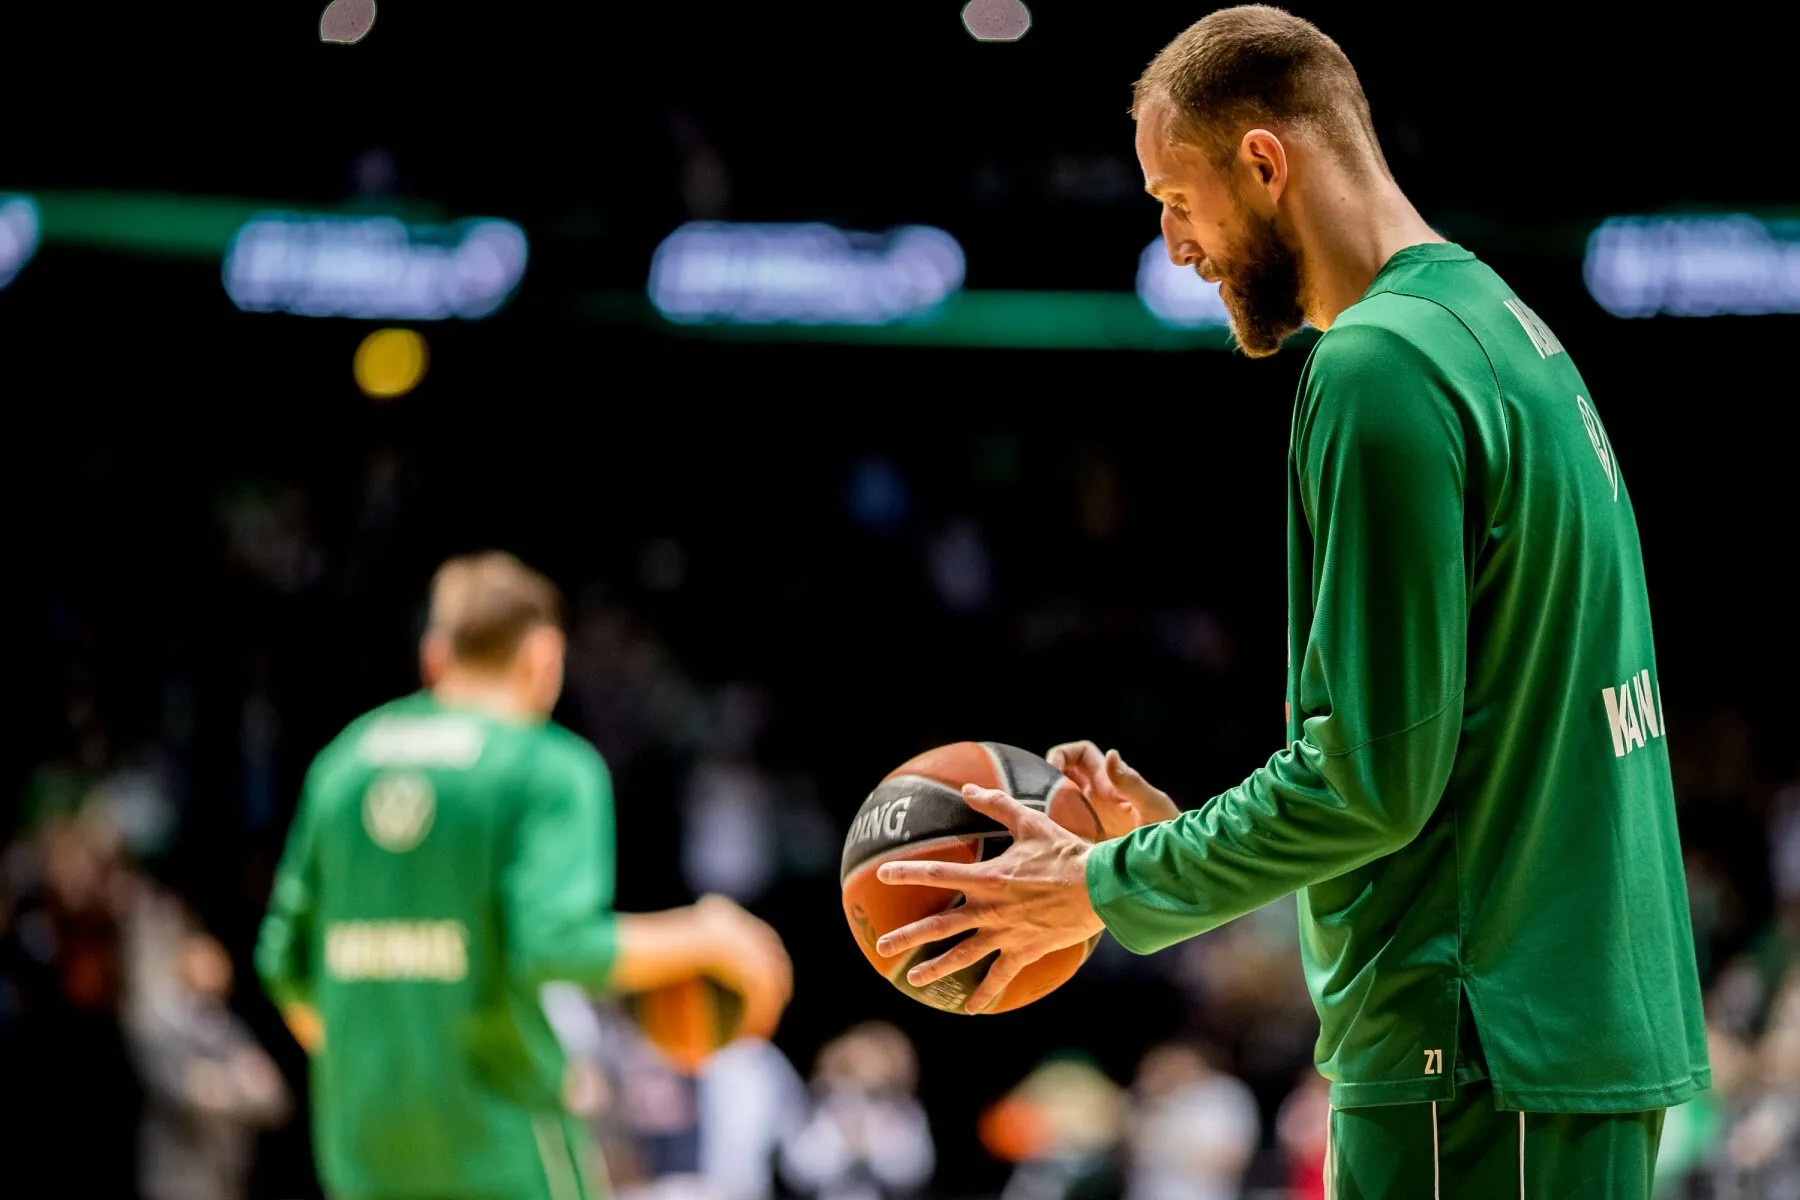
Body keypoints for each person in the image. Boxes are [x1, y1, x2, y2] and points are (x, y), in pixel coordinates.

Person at [872, 7, 1710, 1196]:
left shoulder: (1378, 368)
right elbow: (1438, 780)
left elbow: (1373, 779)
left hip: (1474, 1059)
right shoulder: (1501, 330)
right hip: (1547, 1037)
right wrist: (1169, 848)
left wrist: (1104, 886)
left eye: (1176, 197)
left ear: (1265, 164)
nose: (1174, 245)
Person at [256, 551, 793, 1200]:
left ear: (434, 655)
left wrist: (394, 1042)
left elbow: (282, 962)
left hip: (361, 1146)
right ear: (543, 657)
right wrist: (709, 935)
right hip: (502, 1142)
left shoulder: (343, 764)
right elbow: (555, 943)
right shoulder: (547, 767)